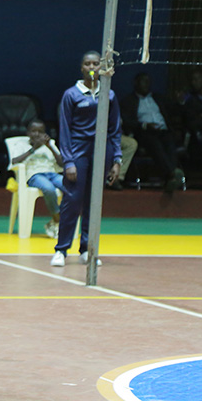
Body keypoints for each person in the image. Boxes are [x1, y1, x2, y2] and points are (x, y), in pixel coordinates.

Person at [51, 51, 122, 268]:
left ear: (101, 67)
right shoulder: (71, 95)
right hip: (78, 150)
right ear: (81, 68)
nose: (92, 67)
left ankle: (87, 249)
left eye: (95, 63)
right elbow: (64, 130)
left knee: (94, 202)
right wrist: (68, 161)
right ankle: (61, 250)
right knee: (72, 200)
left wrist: (117, 159)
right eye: (87, 64)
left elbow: (115, 129)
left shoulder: (109, 94)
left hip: (102, 151)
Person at [121, 72, 183, 192]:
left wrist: (180, 101)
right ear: (136, 83)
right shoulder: (128, 101)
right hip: (144, 132)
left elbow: (174, 110)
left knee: (170, 141)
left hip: (163, 131)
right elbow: (127, 121)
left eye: (148, 82)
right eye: (143, 81)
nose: (147, 84)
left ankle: (171, 176)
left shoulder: (158, 98)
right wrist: (145, 125)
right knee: (153, 142)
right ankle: (172, 174)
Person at [10, 118, 64, 239]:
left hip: (52, 173)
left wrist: (49, 147)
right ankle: (57, 219)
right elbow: (14, 161)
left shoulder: (50, 144)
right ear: (28, 133)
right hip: (34, 175)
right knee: (48, 189)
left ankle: (57, 220)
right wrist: (34, 149)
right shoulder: (21, 145)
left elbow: (61, 164)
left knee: (70, 187)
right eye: (33, 131)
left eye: (41, 131)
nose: (37, 134)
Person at [183, 70, 202, 159]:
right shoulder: (191, 100)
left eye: (196, 79)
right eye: (192, 80)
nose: (193, 82)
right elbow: (193, 122)